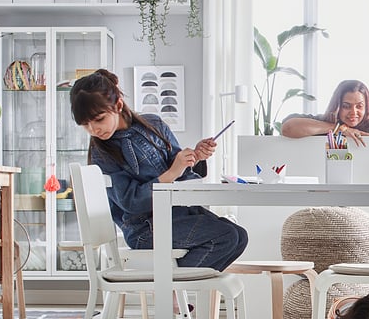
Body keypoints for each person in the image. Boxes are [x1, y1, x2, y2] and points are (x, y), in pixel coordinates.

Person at [69, 69, 248, 274]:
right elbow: (130, 202)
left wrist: (195, 157)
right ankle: (168, 286)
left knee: (240, 236)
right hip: (145, 229)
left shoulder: (154, 124)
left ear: (118, 105)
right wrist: (172, 173)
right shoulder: (102, 153)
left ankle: (171, 283)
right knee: (226, 236)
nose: (94, 130)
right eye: (85, 125)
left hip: (178, 215)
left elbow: (181, 171)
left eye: (99, 119)